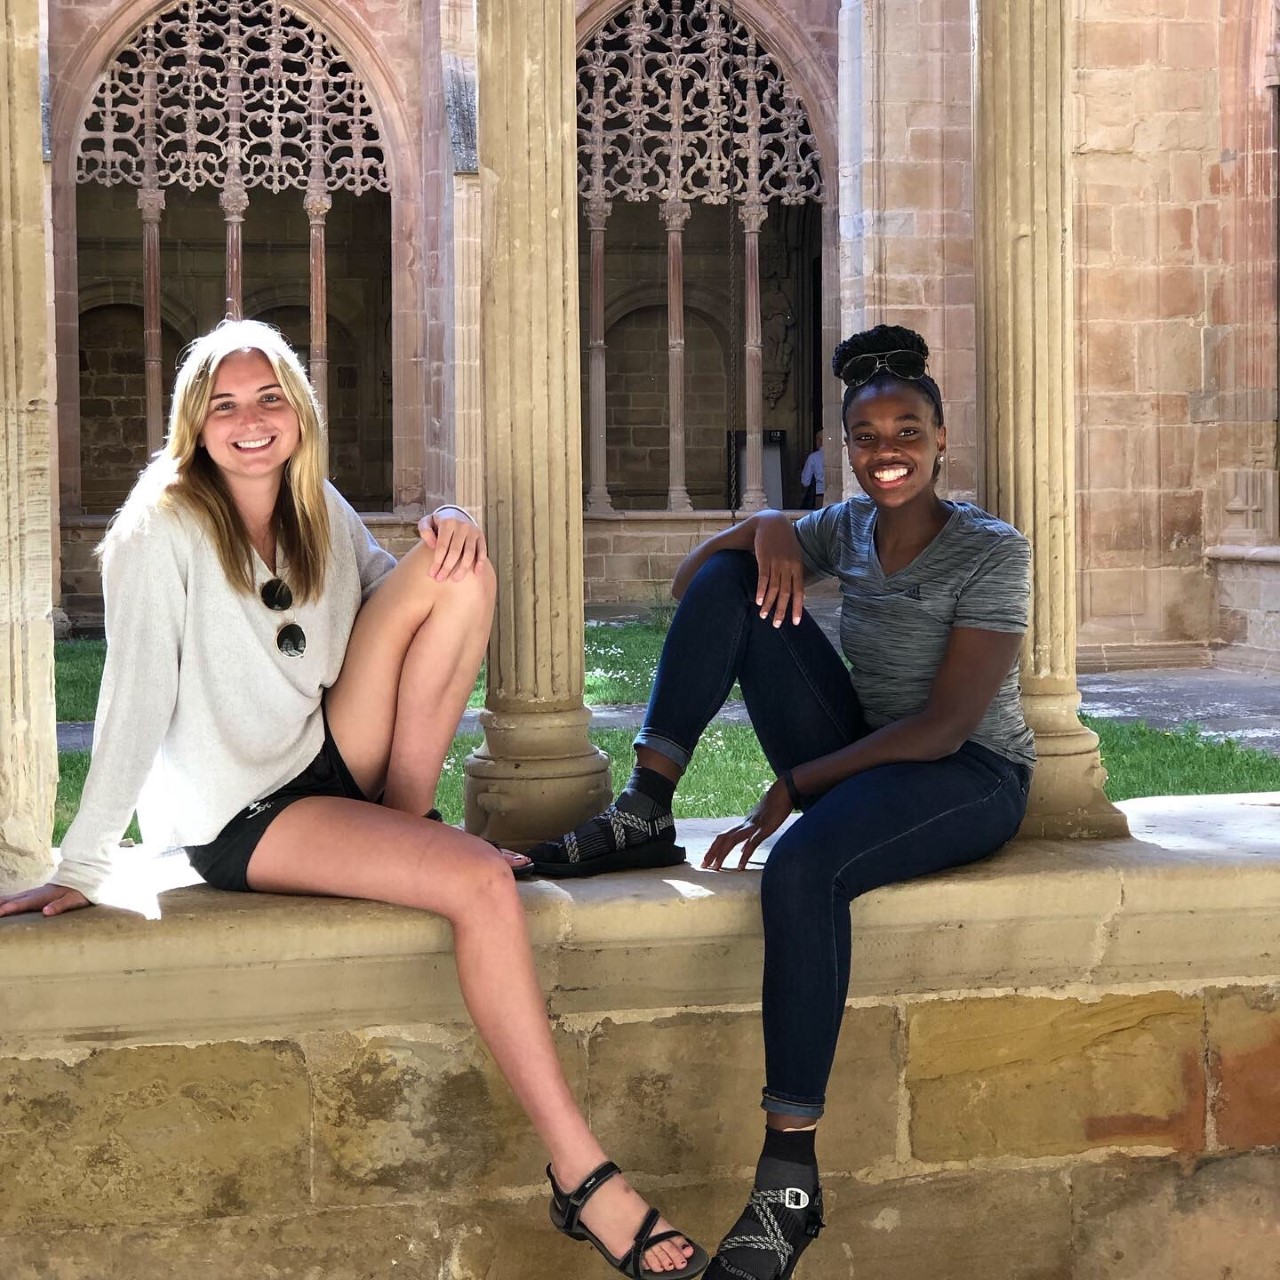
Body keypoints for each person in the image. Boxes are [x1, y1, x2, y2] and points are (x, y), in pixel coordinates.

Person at [0, 320, 708, 1280]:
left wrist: (450, 519)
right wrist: (82, 862)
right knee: (479, 883)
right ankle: (583, 1177)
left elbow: (399, 596)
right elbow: (132, 699)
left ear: (298, 409)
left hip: (332, 751)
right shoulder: (158, 526)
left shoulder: (314, 501)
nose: (251, 421)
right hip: (246, 814)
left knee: (462, 571)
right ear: (194, 423)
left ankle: (402, 824)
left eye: (269, 398)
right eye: (224, 406)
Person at [529, 324, 1035, 1279]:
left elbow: (943, 726)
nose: (888, 452)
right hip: (866, 756)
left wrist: (797, 785)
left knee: (802, 867)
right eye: (867, 437)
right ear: (845, 447)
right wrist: (767, 528)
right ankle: (645, 808)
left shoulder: (990, 550)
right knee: (735, 581)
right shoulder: (844, 527)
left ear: (941, 439)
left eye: (908, 432)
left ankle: (788, 1186)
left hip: (967, 774)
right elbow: (693, 588)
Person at [798, 429, 823, 509]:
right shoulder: (839, 456)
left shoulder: (813, 457)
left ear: (819, 441)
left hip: (820, 495)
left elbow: (805, 481)